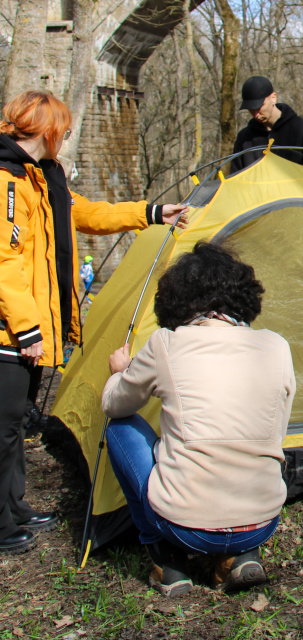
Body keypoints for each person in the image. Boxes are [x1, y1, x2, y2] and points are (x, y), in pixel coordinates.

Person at [0, 90, 188, 556]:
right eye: (61, 128)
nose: (64, 136)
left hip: (34, 327)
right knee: (3, 427)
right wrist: (26, 331)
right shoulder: (5, 181)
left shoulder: (42, 179)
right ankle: (1, 523)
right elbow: (4, 263)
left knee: (16, 422)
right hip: (10, 332)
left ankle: (14, 506)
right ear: (47, 130)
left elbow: (86, 214)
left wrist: (148, 214)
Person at [102, 242, 296, 595]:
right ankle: (240, 556)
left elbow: (116, 404)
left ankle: (169, 562)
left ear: (177, 300)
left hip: (183, 525)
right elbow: (277, 435)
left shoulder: (165, 344)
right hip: (262, 522)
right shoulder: (276, 346)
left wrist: (120, 372)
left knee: (119, 428)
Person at [231, 76, 303, 172]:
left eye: (259, 106)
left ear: (273, 98)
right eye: (251, 109)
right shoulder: (244, 139)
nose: (256, 114)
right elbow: (235, 178)